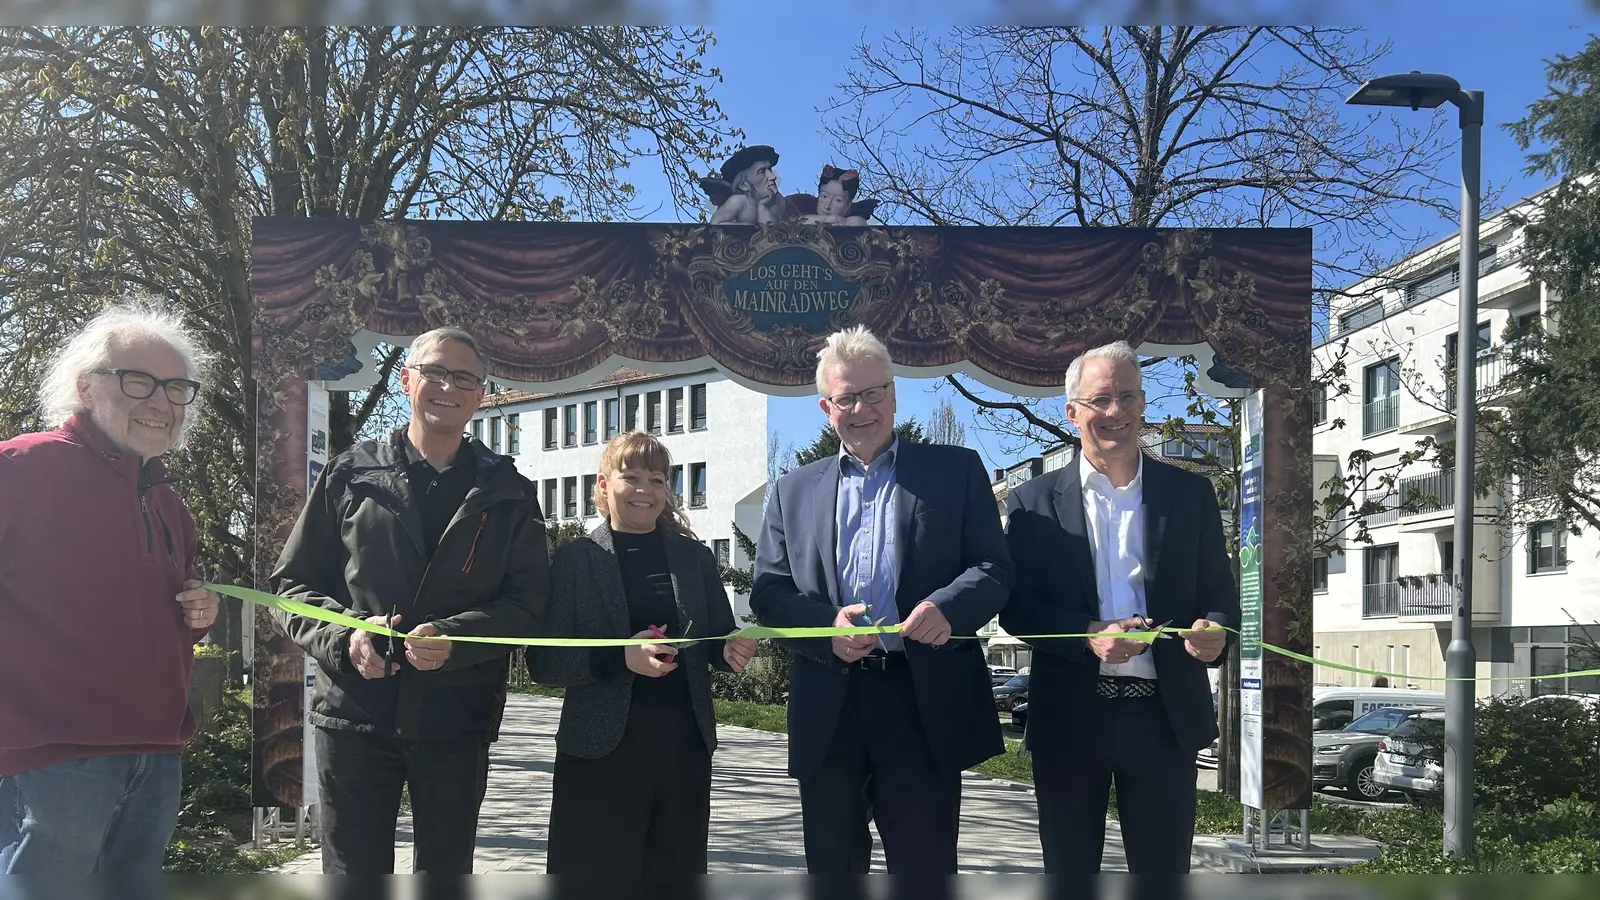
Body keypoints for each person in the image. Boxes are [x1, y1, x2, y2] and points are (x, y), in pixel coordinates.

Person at [270, 326, 549, 874]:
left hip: (457, 717)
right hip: (353, 715)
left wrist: (458, 639)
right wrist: (346, 637)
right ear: (405, 381)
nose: (448, 387)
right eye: (435, 372)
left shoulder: (510, 491)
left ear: (481, 395)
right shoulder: (350, 473)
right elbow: (291, 588)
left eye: (464, 378)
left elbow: (528, 604)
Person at [750, 325, 1014, 876]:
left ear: (893, 395)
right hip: (829, 704)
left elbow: (994, 568)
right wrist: (827, 626)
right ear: (827, 407)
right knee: (833, 869)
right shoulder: (791, 490)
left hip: (920, 699)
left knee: (924, 870)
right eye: (847, 397)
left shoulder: (956, 471)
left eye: (873, 393)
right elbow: (770, 593)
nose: (862, 409)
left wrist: (948, 608)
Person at [1000, 340, 1236, 875]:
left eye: (1128, 397)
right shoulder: (1032, 503)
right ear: (1072, 411)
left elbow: (1220, 595)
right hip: (1070, 718)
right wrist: (1087, 634)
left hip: (1164, 718)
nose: (1116, 412)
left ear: (1143, 403)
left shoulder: (1191, 494)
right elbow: (1017, 609)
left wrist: (1216, 630)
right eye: (1101, 399)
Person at [0, 302, 220, 875]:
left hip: (156, 759)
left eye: (176, 388)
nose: (161, 402)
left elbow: (153, 618)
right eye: (138, 380)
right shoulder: (20, 467)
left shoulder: (169, 504)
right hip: (46, 762)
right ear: (85, 387)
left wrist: (200, 613)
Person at [527, 431, 757, 880]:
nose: (644, 490)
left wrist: (732, 649)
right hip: (598, 754)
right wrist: (621, 658)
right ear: (603, 483)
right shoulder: (575, 560)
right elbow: (544, 663)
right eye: (630, 477)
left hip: (683, 751)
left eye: (656, 480)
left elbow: (715, 638)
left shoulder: (695, 558)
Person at [708, 144, 792, 225]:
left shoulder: (778, 200)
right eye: (762, 172)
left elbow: (772, 230)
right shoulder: (738, 202)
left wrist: (763, 207)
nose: (772, 176)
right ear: (743, 185)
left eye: (770, 170)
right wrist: (748, 227)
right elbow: (714, 225)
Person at [801, 164, 875, 226]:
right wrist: (825, 219)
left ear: (848, 205)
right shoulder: (805, 215)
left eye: (837, 200)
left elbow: (858, 223)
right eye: (824, 196)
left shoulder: (853, 222)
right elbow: (799, 222)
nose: (827, 206)